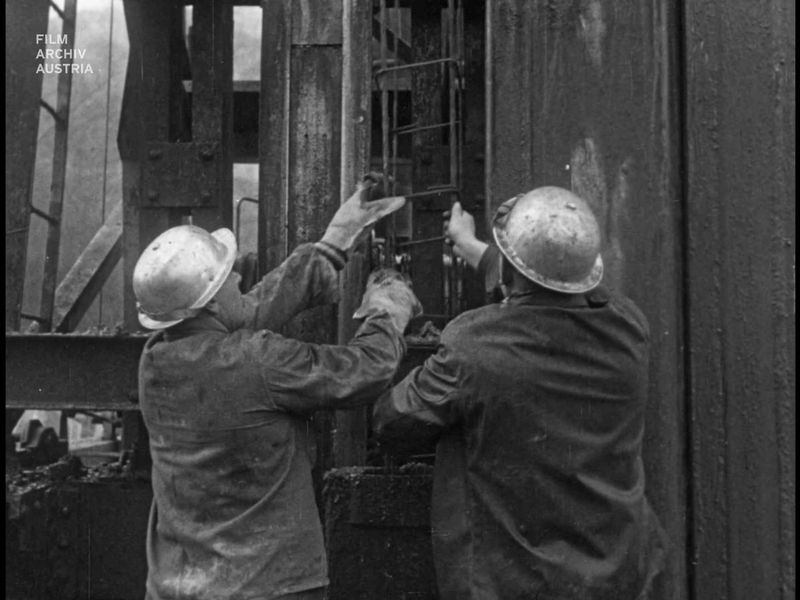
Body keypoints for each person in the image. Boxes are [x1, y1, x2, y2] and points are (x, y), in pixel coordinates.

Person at [133, 176, 421, 600]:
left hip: (178, 585)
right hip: (269, 584)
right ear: (209, 302)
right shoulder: (258, 361)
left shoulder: (155, 358)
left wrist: (332, 246)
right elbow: (365, 369)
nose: (238, 277)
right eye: (229, 275)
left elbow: (242, 313)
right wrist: (387, 312)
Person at [373, 186, 667, 600]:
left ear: (510, 272)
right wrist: (474, 247)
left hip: (517, 584)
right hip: (619, 576)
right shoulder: (629, 328)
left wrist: (383, 322)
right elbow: (563, 286)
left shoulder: (476, 345)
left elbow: (392, 422)